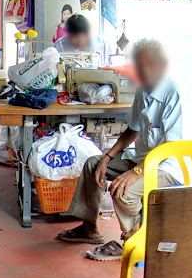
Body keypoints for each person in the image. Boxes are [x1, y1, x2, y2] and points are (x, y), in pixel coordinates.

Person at [55, 37, 182, 260]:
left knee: (123, 191)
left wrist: (136, 172)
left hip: (165, 167)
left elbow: (170, 148)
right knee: (93, 164)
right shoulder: (144, 90)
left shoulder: (172, 93)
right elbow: (132, 129)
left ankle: (135, 242)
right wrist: (107, 156)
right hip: (141, 159)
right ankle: (89, 228)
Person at [0, 10, 97, 165]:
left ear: (86, 33)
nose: (76, 41)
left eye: (80, 37)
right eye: (73, 37)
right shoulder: (60, 45)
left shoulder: (100, 44)